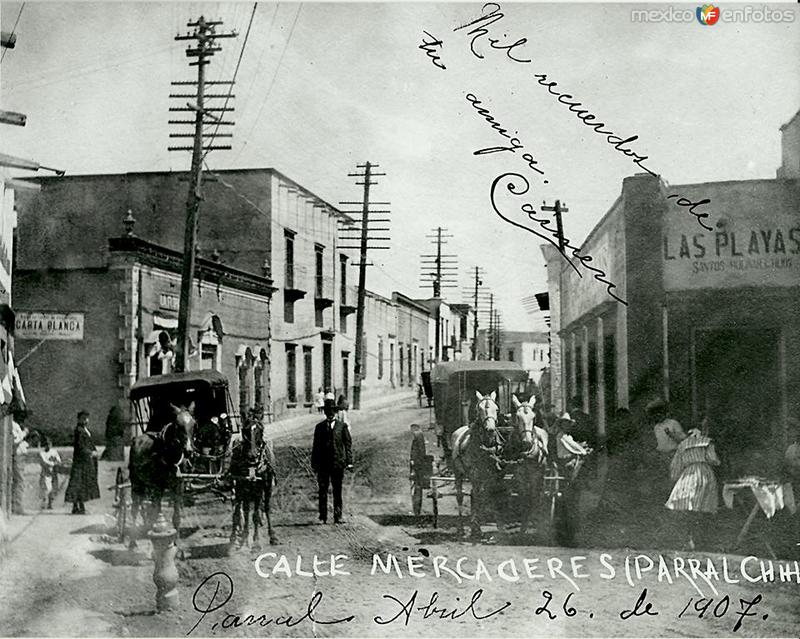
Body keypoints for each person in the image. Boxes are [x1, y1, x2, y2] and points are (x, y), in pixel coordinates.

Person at [665, 427, 720, 550]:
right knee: (702, 506)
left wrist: (675, 477)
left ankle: (689, 538)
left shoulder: (683, 445)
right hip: (704, 473)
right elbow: (713, 459)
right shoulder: (707, 442)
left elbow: (676, 465)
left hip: (689, 474)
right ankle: (698, 539)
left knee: (687, 505)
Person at [311, 398, 353, 524]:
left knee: (337, 491)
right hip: (323, 465)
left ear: (335, 412)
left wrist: (349, 461)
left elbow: (348, 445)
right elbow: (315, 447)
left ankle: (338, 516)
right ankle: (322, 516)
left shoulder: (342, 426)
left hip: (337, 464)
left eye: (331, 412)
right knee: (322, 491)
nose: (329, 414)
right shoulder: (319, 427)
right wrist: (314, 463)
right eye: (327, 411)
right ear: (325, 413)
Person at [65, 410, 101, 514]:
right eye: (84, 418)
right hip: (81, 461)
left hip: (86, 461)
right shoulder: (79, 430)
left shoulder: (85, 430)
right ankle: (77, 506)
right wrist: (90, 453)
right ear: (79, 419)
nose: (86, 420)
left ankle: (80, 506)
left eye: (87, 418)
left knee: (82, 483)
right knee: (79, 483)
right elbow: (81, 447)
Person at [409, 423, 429, 516]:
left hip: (418, 462)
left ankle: (417, 510)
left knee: (417, 483)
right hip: (419, 460)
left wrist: (415, 460)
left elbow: (420, 450)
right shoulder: (419, 435)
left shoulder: (418, 435)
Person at [11, 420, 29, 515]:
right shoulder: (11, 424)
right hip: (17, 456)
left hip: (20, 457)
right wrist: (24, 433)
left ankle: (17, 505)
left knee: (20, 482)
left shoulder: (15, 424)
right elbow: (15, 440)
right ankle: (17, 506)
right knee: (19, 481)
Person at [39, 437, 62, 510]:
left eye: (49, 444)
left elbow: (58, 460)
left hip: (53, 473)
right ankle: (43, 503)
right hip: (45, 473)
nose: (48, 446)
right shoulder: (42, 453)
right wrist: (53, 463)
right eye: (46, 444)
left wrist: (56, 462)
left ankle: (50, 504)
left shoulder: (54, 452)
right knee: (47, 489)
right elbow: (45, 462)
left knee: (54, 488)